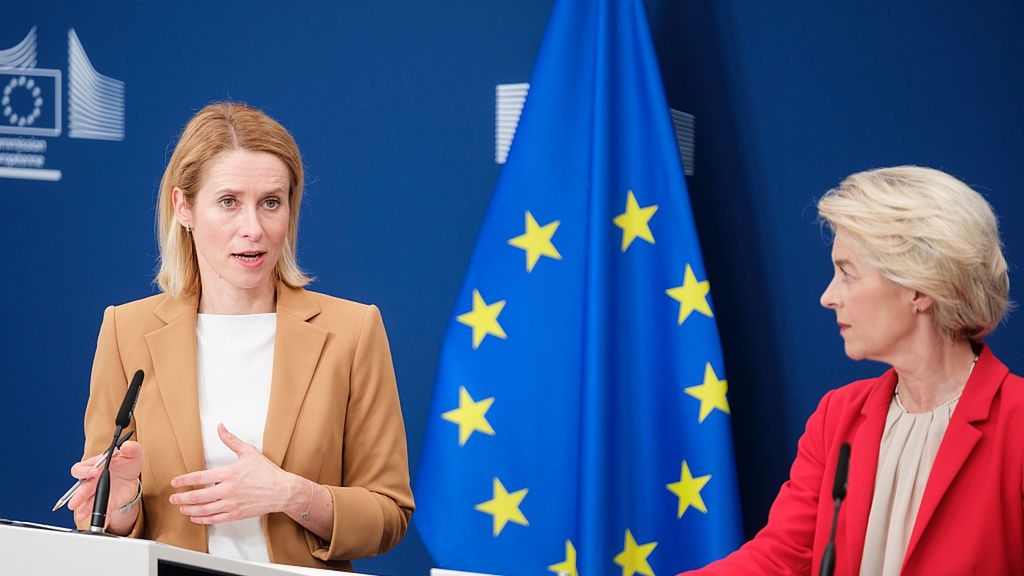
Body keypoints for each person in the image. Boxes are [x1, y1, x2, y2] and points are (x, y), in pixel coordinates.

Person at [66, 102, 415, 571]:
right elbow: (106, 525)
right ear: (183, 207)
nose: (253, 229)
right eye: (229, 202)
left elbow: (388, 515)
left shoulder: (352, 332)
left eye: (271, 202)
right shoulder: (126, 331)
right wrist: (121, 499)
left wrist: (290, 493)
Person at [681, 166, 1022, 575]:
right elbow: (779, 560)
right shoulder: (836, 417)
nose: (828, 297)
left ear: (918, 286)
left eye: (847, 273)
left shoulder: (1016, 425)